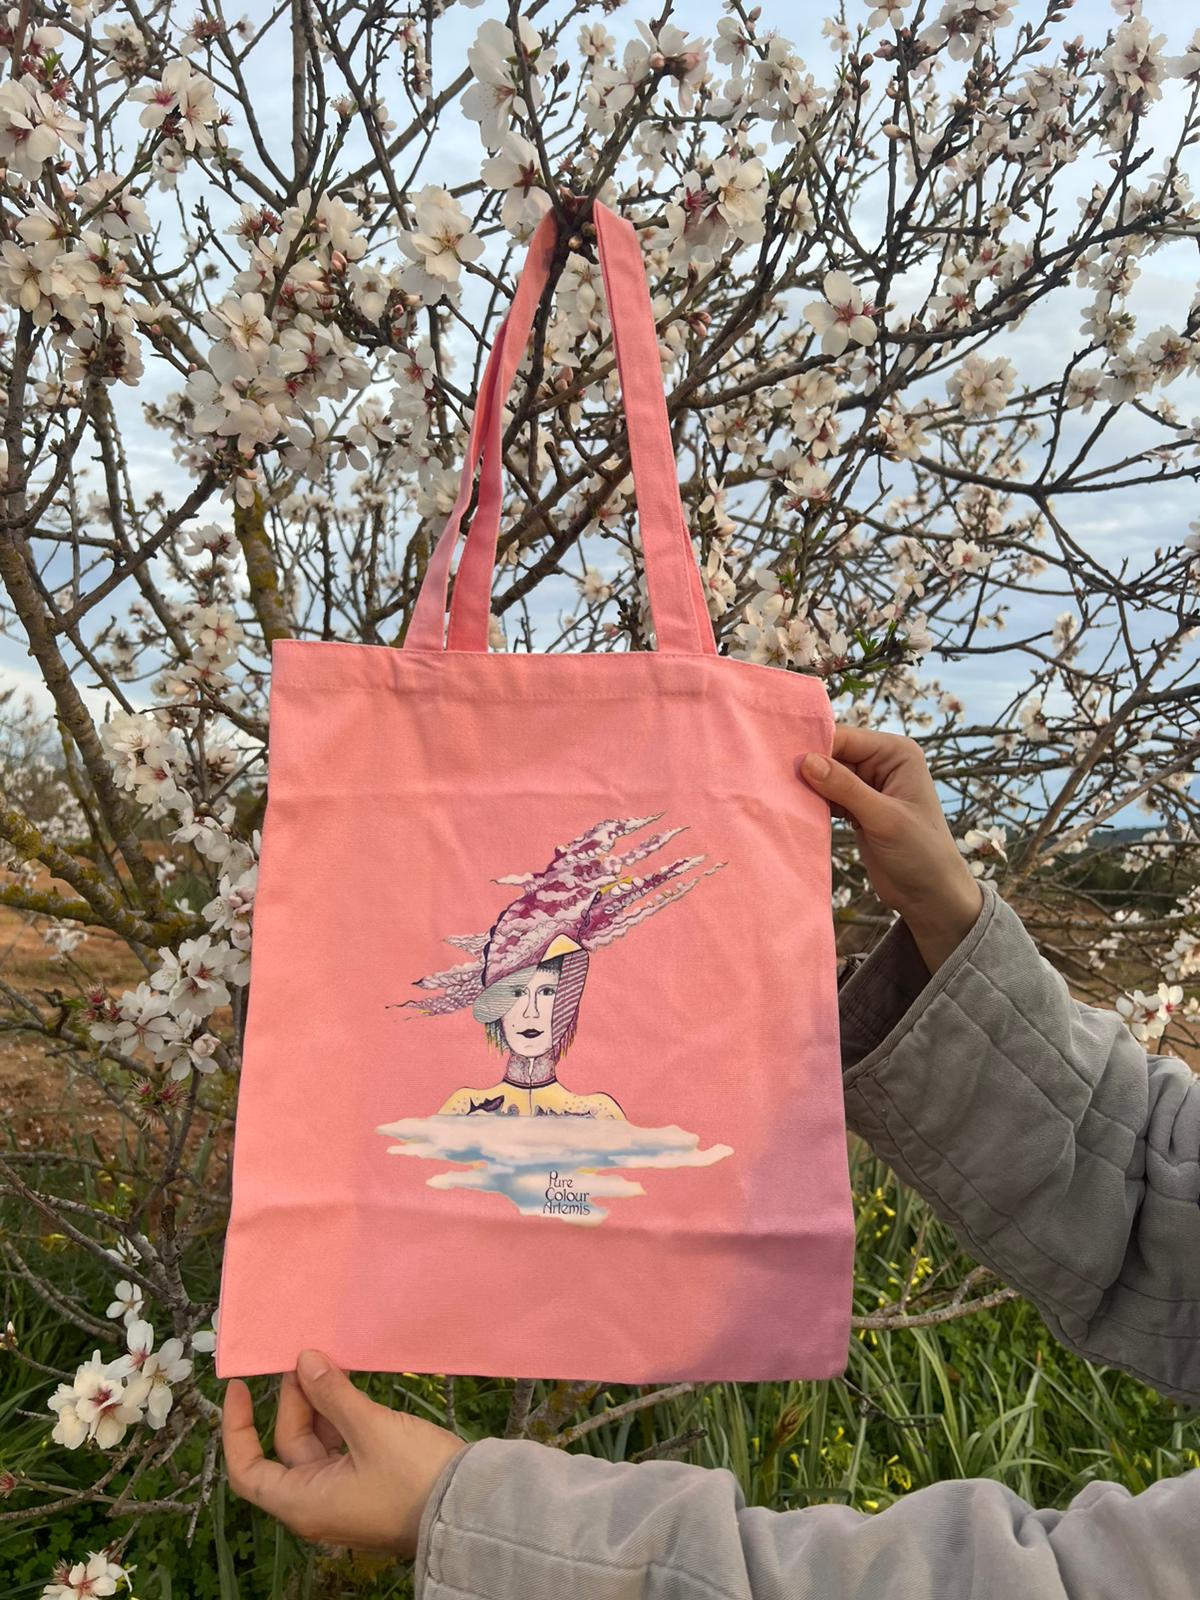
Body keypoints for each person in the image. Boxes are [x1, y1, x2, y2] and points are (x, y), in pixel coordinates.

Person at [222, 724, 1200, 1596]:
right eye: (512, 994)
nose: (528, 1010)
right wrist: (948, 919)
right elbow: (1161, 1192)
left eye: (545, 996)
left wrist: (453, 1511)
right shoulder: (462, 1109)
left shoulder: (594, 1108)